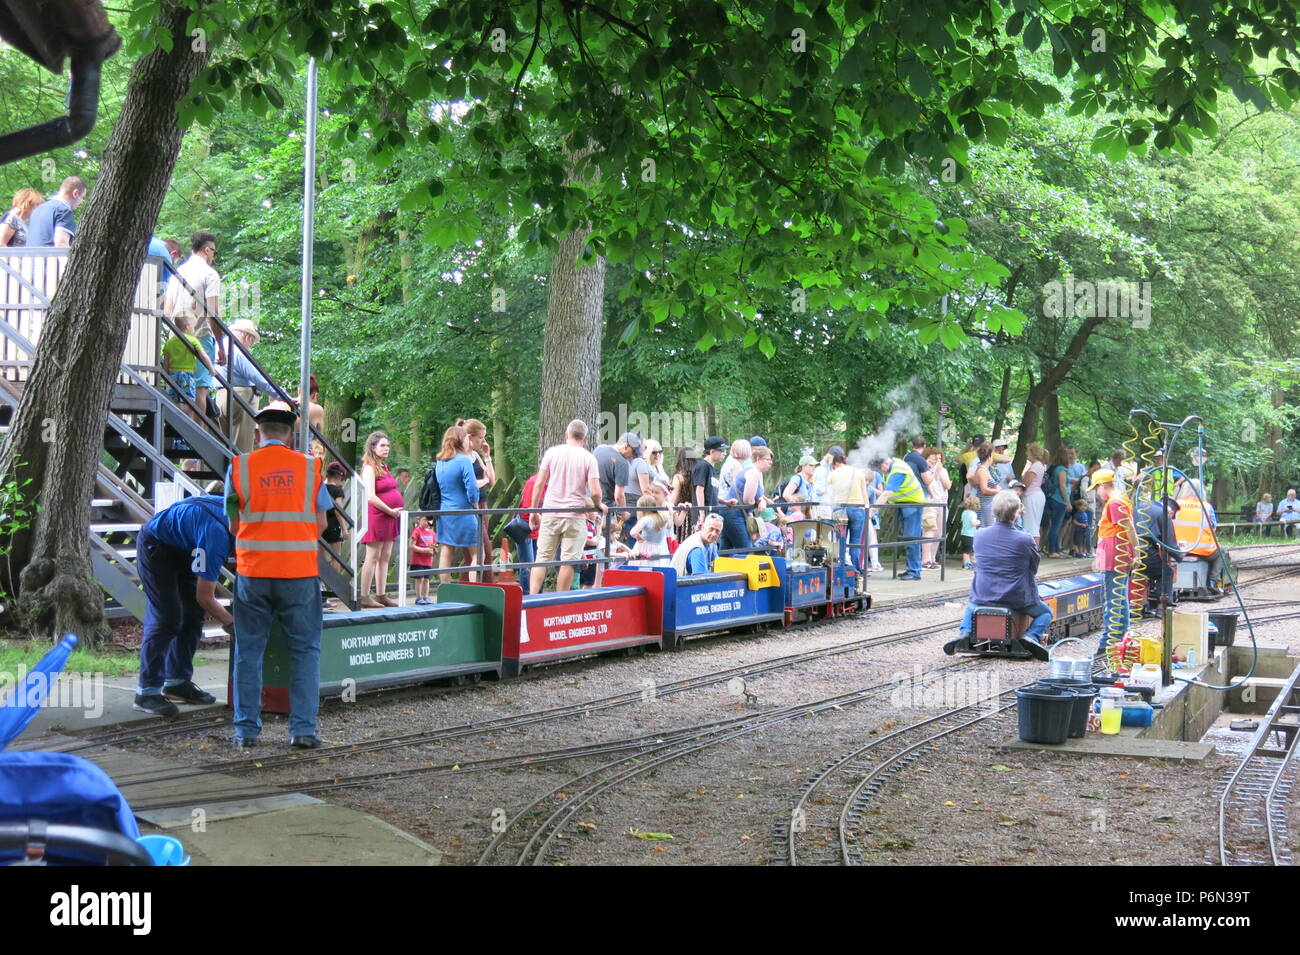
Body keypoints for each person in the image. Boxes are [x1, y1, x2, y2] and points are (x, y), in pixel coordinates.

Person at [227, 405, 331, 749]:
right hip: (299, 574)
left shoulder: (239, 468)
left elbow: (233, 524)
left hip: (253, 573)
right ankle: (302, 731)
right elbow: (322, 525)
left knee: (249, 652)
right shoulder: (311, 468)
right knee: (304, 651)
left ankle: (246, 731)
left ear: (258, 433)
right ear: (291, 435)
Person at [132, 493, 234, 716]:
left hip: (184, 547)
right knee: (167, 617)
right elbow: (205, 596)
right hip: (156, 546)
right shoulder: (216, 536)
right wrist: (230, 623)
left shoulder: (234, 520)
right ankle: (146, 692)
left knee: (192, 615)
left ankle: (177, 682)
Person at [944, 490, 1051, 660]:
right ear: (1017, 512)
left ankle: (965, 633)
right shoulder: (1025, 539)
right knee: (1045, 613)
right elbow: (1034, 567)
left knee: (971, 605)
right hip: (1016, 597)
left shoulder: (979, 535)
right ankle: (1031, 637)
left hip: (984, 595)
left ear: (993, 511)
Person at [529, 419, 603, 594]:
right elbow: (595, 491)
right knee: (568, 561)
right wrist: (598, 505)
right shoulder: (589, 458)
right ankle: (559, 599)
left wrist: (533, 510)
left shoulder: (552, 453)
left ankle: (531, 598)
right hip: (575, 516)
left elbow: (539, 483)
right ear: (584, 439)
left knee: (542, 558)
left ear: (566, 435)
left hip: (550, 512)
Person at [164, 232, 223, 422]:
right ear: (207, 250)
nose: (214, 256)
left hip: (177, 337)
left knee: (178, 388)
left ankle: (175, 437)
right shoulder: (210, 274)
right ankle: (196, 439)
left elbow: (167, 310)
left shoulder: (178, 272)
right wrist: (222, 347)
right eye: (214, 252)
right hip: (201, 336)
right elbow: (213, 314)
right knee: (200, 388)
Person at [1092, 467, 1137, 659]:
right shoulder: (1119, 500)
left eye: (1096, 489)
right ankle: (1120, 638)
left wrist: (1137, 552)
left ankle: (1107, 643)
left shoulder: (1114, 503)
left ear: (1102, 485)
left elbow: (1129, 529)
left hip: (1114, 557)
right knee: (1120, 598)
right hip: (1115, 555)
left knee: (1112, 600)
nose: (1097, 494)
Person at [356, 431, 403, 606]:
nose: (387, 448)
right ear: (373, 447)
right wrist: (389, 510)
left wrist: (392, 511)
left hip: (391, 515)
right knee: (373, 555)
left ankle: (381, 594)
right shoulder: (369, 467)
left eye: (388, 445)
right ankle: (365, 596)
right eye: (383, 445)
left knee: (386, 555)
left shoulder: (384, 467)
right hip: (378, 515)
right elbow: (370, 496)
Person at [220, 319, 277, 454]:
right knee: (242, 444)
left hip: (224, 394)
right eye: (252, 341)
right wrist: (280, 395)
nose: (250, 345)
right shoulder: (237, 351)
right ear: (247, 337)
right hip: (241, 395)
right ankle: (241, 474)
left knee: (227, 439)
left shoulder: (222, 346)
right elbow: (258, 378)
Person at [433, 424, 481, 584]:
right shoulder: (464, 461)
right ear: (461, 440)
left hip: (445, 512)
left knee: (446, 552)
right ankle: (476, 589)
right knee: (477, 553)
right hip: (464, 512)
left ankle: (444, 589)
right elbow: (472, 489)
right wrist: (475, 505)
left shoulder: (440, 462)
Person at [873, 454, 927, 580]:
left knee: (911, 538)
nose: (883, 472)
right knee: (910, 538)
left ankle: (914, 571)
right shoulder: (896, 463)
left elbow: (887, 493)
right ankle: (912, 569)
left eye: (882, 469)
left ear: (884, 464)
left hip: (911, 505)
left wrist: (873, 509)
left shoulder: (897, 471)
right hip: (907, 504)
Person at [161, 313, 219, 425]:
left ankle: (177, 422)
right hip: (187, 376)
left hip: (173, 375)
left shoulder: (169, 343)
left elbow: (166, 363)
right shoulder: (192, 340)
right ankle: (188, 423)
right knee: (189, 401)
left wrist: (167, 374)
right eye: (193, 326)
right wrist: (211, 368)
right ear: (187, 326)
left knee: (176, 399)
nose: (194, 329)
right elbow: (203, 356)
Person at [720, 445, 773, 551]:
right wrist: (759, 502)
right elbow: (748, 500)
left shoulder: (752, 471)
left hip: (730, 512)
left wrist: (761, 500)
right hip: (734, 513)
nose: (771, 462)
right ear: (758, 459)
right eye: (768, 460)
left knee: (726, 550)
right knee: (746, 549)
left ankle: (719, 567)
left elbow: (754, 495)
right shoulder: (753, 472)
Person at [826, 450, 868, 572]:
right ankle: (855, 570)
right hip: (857, 508)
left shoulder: (833, 474)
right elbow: (864, 493)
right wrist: (867, 508)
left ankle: (841, 568)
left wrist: (830, 511)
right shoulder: (858, 472)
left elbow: (830, 495)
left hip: (839, 509)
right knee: (855, 541)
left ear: (835, 464)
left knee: (840, 541)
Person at [26, 176, 86, 247]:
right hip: (49, 257)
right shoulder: (64, 211)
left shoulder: (38, 209)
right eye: (82, 197)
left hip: (29, 257)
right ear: (75, 193)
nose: (82, 201)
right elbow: (61, 244)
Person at [321, 460, 348, 609]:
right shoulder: (338, 491)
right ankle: (333, 588)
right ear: (340, 476)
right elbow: (338, 510)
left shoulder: (321, 488)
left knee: (320, 559)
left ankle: (322, 589)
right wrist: (344, 529)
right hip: (333, 526)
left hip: (320, 525)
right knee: (335, 558)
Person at [921, 446, 950, 568]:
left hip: (943, 503)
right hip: (931, 502)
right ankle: (926, 558)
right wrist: (935, 471)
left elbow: (947, 485)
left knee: (939, 533)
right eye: (935, 458)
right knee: (929, 531)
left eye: (940, 458)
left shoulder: (943, 471)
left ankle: (933, 557)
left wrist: (940, 471)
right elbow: (928, 485)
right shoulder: (926, 470)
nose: (938, 461)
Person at [691, 436, 727, 527]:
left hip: (713, 516)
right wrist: (702, 513)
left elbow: (710, 494)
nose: (724, 453)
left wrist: (725, 502)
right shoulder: (702, 466)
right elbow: (699, 490)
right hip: (704, 518)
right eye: (722, 450)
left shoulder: (712, 469)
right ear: (712, 451)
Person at [1043, 447, 1071, 557]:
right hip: (1059, 500)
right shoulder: (1062, 469)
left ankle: (1056, 549)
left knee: (1055, 525)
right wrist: (1068, 502)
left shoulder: (1056, 468)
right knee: (1055, 526)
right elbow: (1062, 486)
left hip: (1054, 499)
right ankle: (1052, 551)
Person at [1020, 443, 1048, 548]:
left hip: (1031, 496)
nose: (1026, 453)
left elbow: (1026, 483)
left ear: (1033, 453)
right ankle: (1033, 550)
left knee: (1031, 525)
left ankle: (1033, 550)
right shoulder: (1038, 465)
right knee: (1034, 524)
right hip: (1036, 495)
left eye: (1028, 451)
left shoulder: (1035, 466)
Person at [629, 493, 671, 562]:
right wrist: (671, 514)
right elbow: (669, 526)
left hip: (645, 550)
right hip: (660, 549)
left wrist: (638, 536)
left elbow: (632, 532)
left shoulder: (646, 519)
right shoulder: (663, 517)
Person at [668, 447, 699, 537]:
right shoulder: (698, 475)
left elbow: (674, 499)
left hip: (682, 515)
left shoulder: (679, 477)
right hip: (697, 513)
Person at [968, 443, 999, 532]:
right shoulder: (982, 470)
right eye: (993, 455)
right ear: (989, 456)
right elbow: (984, 489)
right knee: (986, 531)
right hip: (984, 506)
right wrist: (998, 491)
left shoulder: (985, 469)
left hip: (989, 505)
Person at [781, 455, 819, 521]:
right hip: (795, 516)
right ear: (803, 466)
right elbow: (786, 495)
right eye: (811, 465)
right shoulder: (797, 478)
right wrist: (798, 509)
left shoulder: (810, 481)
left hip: (805, 516)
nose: (814, 468)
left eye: (814, 466)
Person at [410, 514, 437, 605]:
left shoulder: (432, 533)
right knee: (420, 579)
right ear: (419, 519)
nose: (427, 522)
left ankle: (426, 596)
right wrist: (424, 550)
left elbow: (434, 545)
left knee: (427, 579)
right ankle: (418, 597)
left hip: (428, 561)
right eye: (425, 519)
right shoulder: (417, 531)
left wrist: (433, 550)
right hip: (418, 560)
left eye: (429, 520)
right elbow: (412, 545)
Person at [959, 497, 980, 570]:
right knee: (968, 551)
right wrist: (978, 522)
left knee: (966, 550)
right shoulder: (973, 514)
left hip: (964, 533)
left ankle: (968, 563)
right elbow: (973, 523)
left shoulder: (964, 512)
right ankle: (967, 564)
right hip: (970, 534)